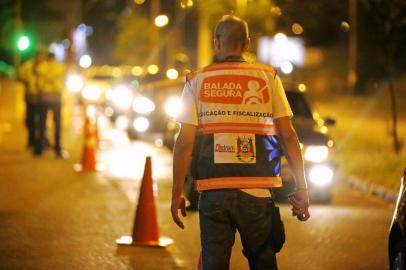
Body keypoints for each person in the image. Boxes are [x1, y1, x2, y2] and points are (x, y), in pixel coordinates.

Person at [171, 15, 310, 270]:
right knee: (263, 262)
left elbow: (183, 144)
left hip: (213, 191)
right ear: (246, 44)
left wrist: (177, 192)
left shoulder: (196, 81)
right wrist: (302, 187)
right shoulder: (268, 78)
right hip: (257, 191)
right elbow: (289, 137)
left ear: (216, 42)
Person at [36, 52, 67, 157]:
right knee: (57, 124)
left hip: (44, 97)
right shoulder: (60, 67)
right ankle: (57, 148)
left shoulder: (41, 67)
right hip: (56, 98)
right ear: (54, 58)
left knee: (42, 123)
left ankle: (39, 148)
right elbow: (63, 82)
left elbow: (38, 84)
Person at [18, 51, 46, 149]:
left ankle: (41, 141)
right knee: (29, 120)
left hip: (42, 97)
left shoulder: (45, 67)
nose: (40, 58)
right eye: (39, 56)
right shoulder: (27, 66)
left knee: (41, 121)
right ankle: (31, 140)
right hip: (30, 95)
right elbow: (21, 77)